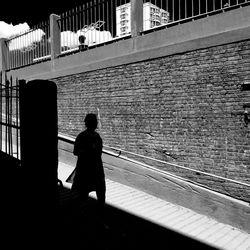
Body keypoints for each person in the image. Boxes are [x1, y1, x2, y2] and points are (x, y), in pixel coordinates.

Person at [71, 113, 106, 223]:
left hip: (87, 168)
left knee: (89, 193)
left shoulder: (84, 136)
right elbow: (77, 152)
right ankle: (89, 217)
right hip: (91, 169)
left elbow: (76, 152)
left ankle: (87, 217)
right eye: (93, 122)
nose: (94, 124)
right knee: (94, 193)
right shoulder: (91, 137)